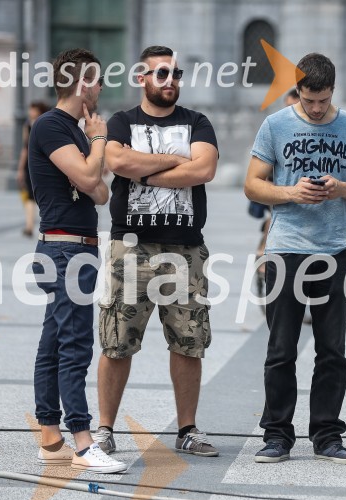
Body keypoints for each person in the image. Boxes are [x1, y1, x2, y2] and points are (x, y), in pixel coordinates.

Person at [244, 53, 346, 464]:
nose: (316, 109)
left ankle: (327, 435)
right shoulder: (276, 124)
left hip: (336, 250)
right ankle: (277, 435)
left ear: (333, 90)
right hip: (285, 249)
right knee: (281, 348)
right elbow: (252, 184)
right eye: (308, 100)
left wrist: (342, 189)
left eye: (322, 101)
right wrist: (290, 193)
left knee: (332, 350)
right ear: (298, 91)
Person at [92, 46, 220, 458]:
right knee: (117, 340)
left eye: (176, 74)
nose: (171, 82)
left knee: (188, 341)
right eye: (162, 74)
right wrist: (172, 161)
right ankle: (105, 430)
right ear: (141, 78)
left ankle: (187, 429)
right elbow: (115, 161)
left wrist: (143, 166)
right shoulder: (122, 121)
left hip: (186, 249)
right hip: (130, 248)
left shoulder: (197, 121)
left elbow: (204, 169)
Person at [29, 48, 125, 473]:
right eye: (99, 80)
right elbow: (90, 179)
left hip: (77, 247)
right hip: (65, 249)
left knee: (54, 340)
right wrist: (99, 140)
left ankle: (50, 436)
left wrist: (91, 156)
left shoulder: (76, 131)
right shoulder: (53, 126)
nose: (102, 88)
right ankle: (84, 444)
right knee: (75, 344)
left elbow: (101, 194)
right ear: (84, 83)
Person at [17, 101, 51, 236]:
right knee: (30, 196)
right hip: (30, 164)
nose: (30, 112)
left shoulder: (45, 124)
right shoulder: (28, 125)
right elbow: (25, 148)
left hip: (43, 163)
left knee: (41, 196)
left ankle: (35, 226)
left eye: (33, 110)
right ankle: (29, 226)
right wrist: (20, 168)